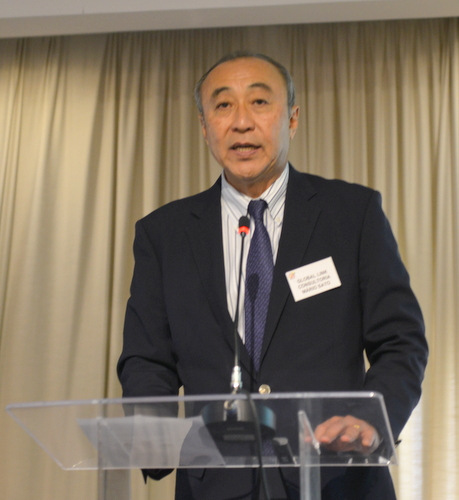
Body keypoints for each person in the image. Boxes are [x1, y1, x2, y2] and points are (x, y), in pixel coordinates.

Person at [117, 51, 428, 499]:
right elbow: (147, 360)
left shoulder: (351, 214)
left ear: (292, 119)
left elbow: (401, 341)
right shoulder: (164, 234)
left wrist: (369, 420)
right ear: (204, 126)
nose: (241, 122)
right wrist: (155, 435)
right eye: (223, 105)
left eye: (259, 102)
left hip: (335, 479)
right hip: (215, 484)